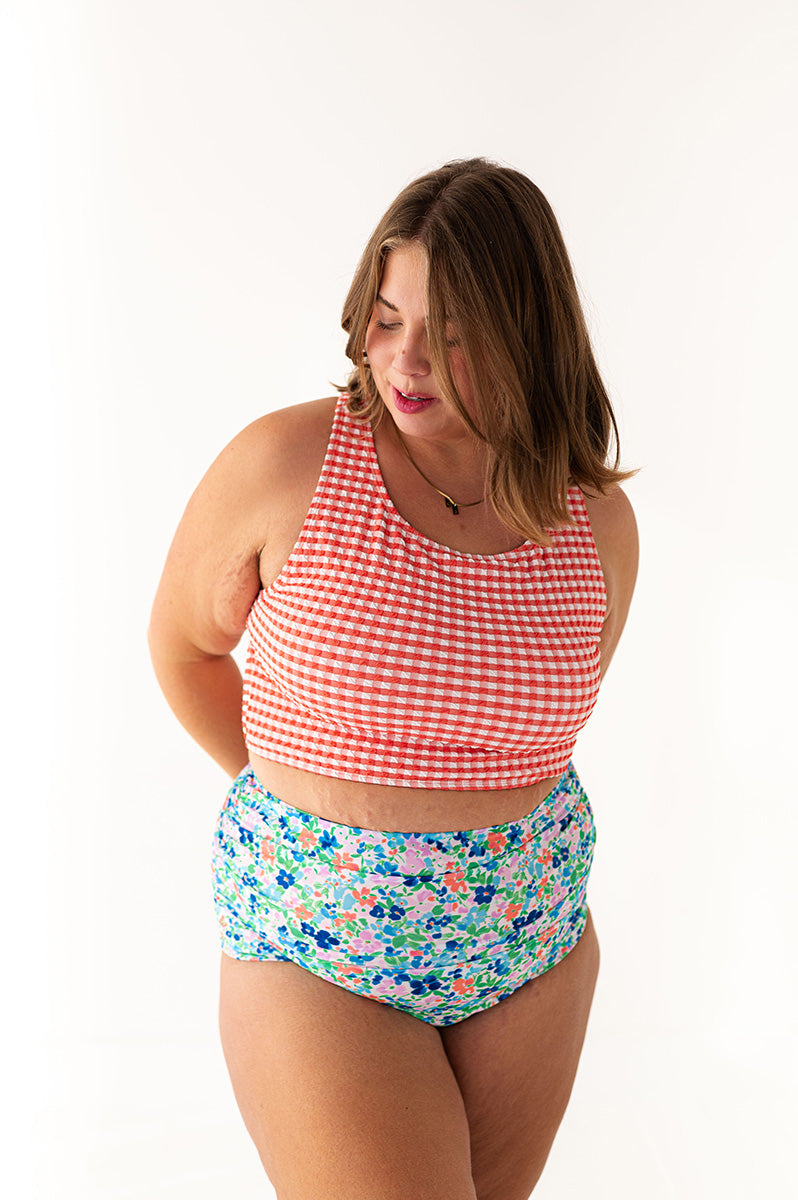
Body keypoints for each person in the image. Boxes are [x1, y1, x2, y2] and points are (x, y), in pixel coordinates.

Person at [149, 157, 638, 1200]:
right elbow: (183, 649)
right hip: (321, 944)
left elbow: (540, 735)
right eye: (386, 318)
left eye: (453, 333)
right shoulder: (289, 465)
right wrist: (317, 816)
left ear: (527, 333)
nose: (406, 359)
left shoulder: (596, 524)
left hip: (529, 944)